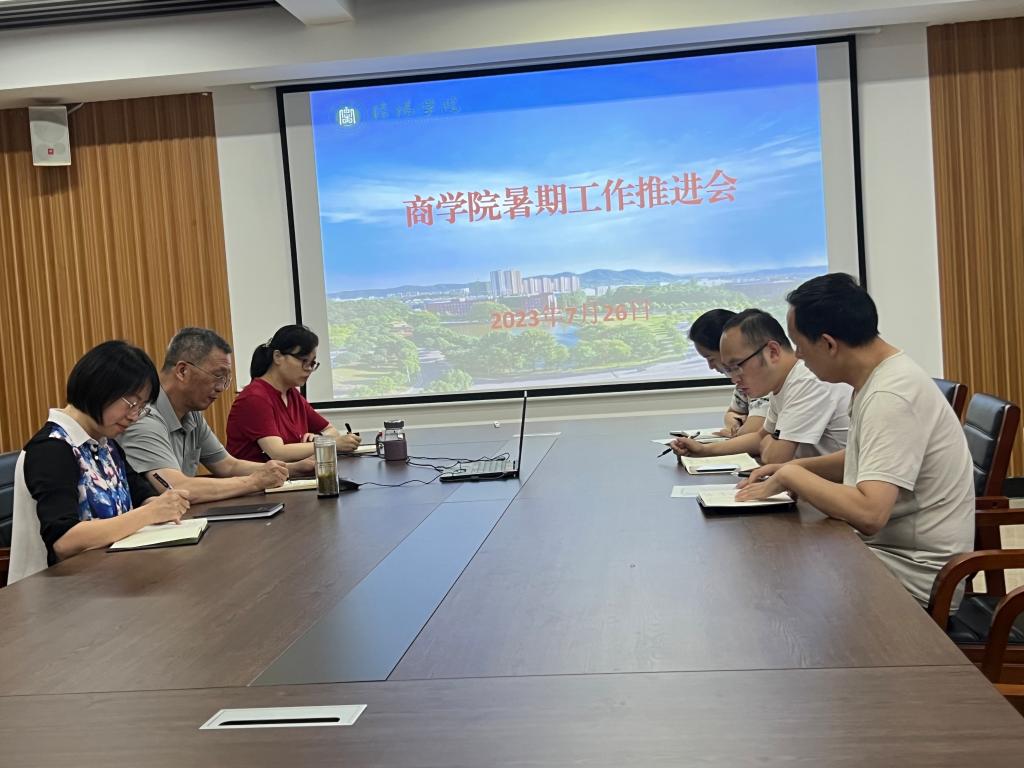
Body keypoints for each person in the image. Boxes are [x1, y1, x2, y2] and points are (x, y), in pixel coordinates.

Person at [736, 273, 975, 607]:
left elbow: (870, 513)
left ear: (829, 344)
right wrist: (794, 468)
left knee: (777, 585)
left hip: (915, 576)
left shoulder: (890, 396)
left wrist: (793, 474)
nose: (799, 357)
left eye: (800, 346)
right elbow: (862, 459)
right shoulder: (878, 378)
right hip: (883, 552)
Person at [8, 341, 190, 584]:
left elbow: (140, 493)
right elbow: (64, 541)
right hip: (55, 591)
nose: (134, 416)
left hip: (108, 579)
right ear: (99, 388)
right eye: (132, 403)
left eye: (142, 408)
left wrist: (161, 504)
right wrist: (150, 513)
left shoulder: (106, 444)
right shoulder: (52, 448)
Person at [119, 327, 314, 503]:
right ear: (183, 371)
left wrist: (295, 468)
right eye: (218, 376)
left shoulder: (191, 413)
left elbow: (227, 466)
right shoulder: (143, 416)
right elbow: (176, 486)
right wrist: (253, 482)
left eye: (226, 379)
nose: (221, 387)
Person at [673, 309, 851, 464]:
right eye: (728, 369)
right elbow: (760, 438)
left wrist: (769, 443)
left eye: (737, 366)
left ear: (772, 352)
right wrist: (703, 450)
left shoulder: (806, 380)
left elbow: (774, 457)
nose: (734, 379)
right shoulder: (781, 383)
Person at [226, 325, 361, 462]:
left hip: (291, 473)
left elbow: (331, 430)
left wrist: (319, 438)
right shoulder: (255, 398)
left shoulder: (292, 394)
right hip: (258, 475)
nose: (308, 369)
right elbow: (278, 453)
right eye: (304, 361)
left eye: (312, 363)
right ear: (278, 357)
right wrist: (330, 443)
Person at [688, 309, 769, 437]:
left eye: (711, 358)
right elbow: (731, 413)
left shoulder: (764, 379)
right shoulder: (742, 382)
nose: (710, 367)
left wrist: (736, 432)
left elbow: (752, 432)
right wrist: (735, 424)